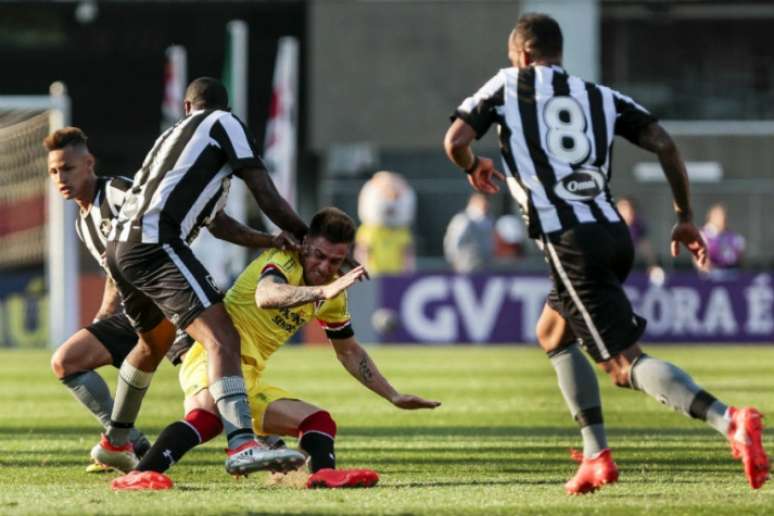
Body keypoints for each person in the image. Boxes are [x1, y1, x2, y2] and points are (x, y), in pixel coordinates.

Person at [444, 13, 768, 494]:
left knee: (622, 365)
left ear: (523, 54)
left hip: (568, 239)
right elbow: (664, 143)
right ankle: (596, 455)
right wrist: (684, 216)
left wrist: (473, 164)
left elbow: (455, 140)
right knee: (552, 332)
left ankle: (730, 422)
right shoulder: (598, 94)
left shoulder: (509, 83)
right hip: (613, 232)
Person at [110, 207, 440, 490]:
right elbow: (266, 296)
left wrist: (393, 396)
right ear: (306, 244)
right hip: (213, 357)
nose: (325, 267)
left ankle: (323, 476)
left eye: (335, 261)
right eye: (319, 255)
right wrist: (320, 293)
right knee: (208, 415)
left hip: (250, 378)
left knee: (319, 421)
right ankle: (140, 475)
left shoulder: (333, 292)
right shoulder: (283, 259)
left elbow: (349, 352)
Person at [92, 77, 311, 477]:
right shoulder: (224, 123)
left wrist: (270, 239)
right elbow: (265, 193)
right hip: (156, 242)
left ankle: (115, 440)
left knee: (150, 344)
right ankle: (243, 443)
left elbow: (218, 223)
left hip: (119, 248)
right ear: (218, 107)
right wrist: (306, 236)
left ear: (186, 108)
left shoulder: (172, 138)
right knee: (222, 336)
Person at [44, 127, 295, 472]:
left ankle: (264, 440)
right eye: (54, 171)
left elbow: (171, 232)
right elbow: (116, 268)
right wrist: (105, 312)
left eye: (67, 168)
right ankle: (124, 438)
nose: (60, 178)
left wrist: (267, 240)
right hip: (139, 311)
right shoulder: (82, 221)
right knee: (66, 362)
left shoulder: (118, 191)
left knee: (206, 387)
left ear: (89, 163)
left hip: (168, 300)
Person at [354, 171, 416, 275]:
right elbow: (362, 253)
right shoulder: (368, 230)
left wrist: (406, 277)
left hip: (396, 278)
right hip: (374, 278)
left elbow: (407, 257)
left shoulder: (402, 232)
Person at [616, 196, 665, 285]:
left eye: (627, 209)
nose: (625, 212)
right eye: (621, 208)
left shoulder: (637, 226)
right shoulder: (611, 225)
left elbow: (645, 247)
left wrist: (653, 266)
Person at [443, 193, 495, 273]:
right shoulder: (463, 219)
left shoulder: (488, 220)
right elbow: (453, 242)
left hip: (484, 266)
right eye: (482, 202)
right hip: (466, 266)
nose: (486, 204)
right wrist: (454, 260)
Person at [699, 203, 745, 274]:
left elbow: (740, 257)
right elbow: (699, 259)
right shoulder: (704, 235)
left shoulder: (734, 237)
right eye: (719, 216)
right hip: (713, 273)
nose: (723, 218)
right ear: (711, 217)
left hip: (732, 272)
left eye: (723, 215)